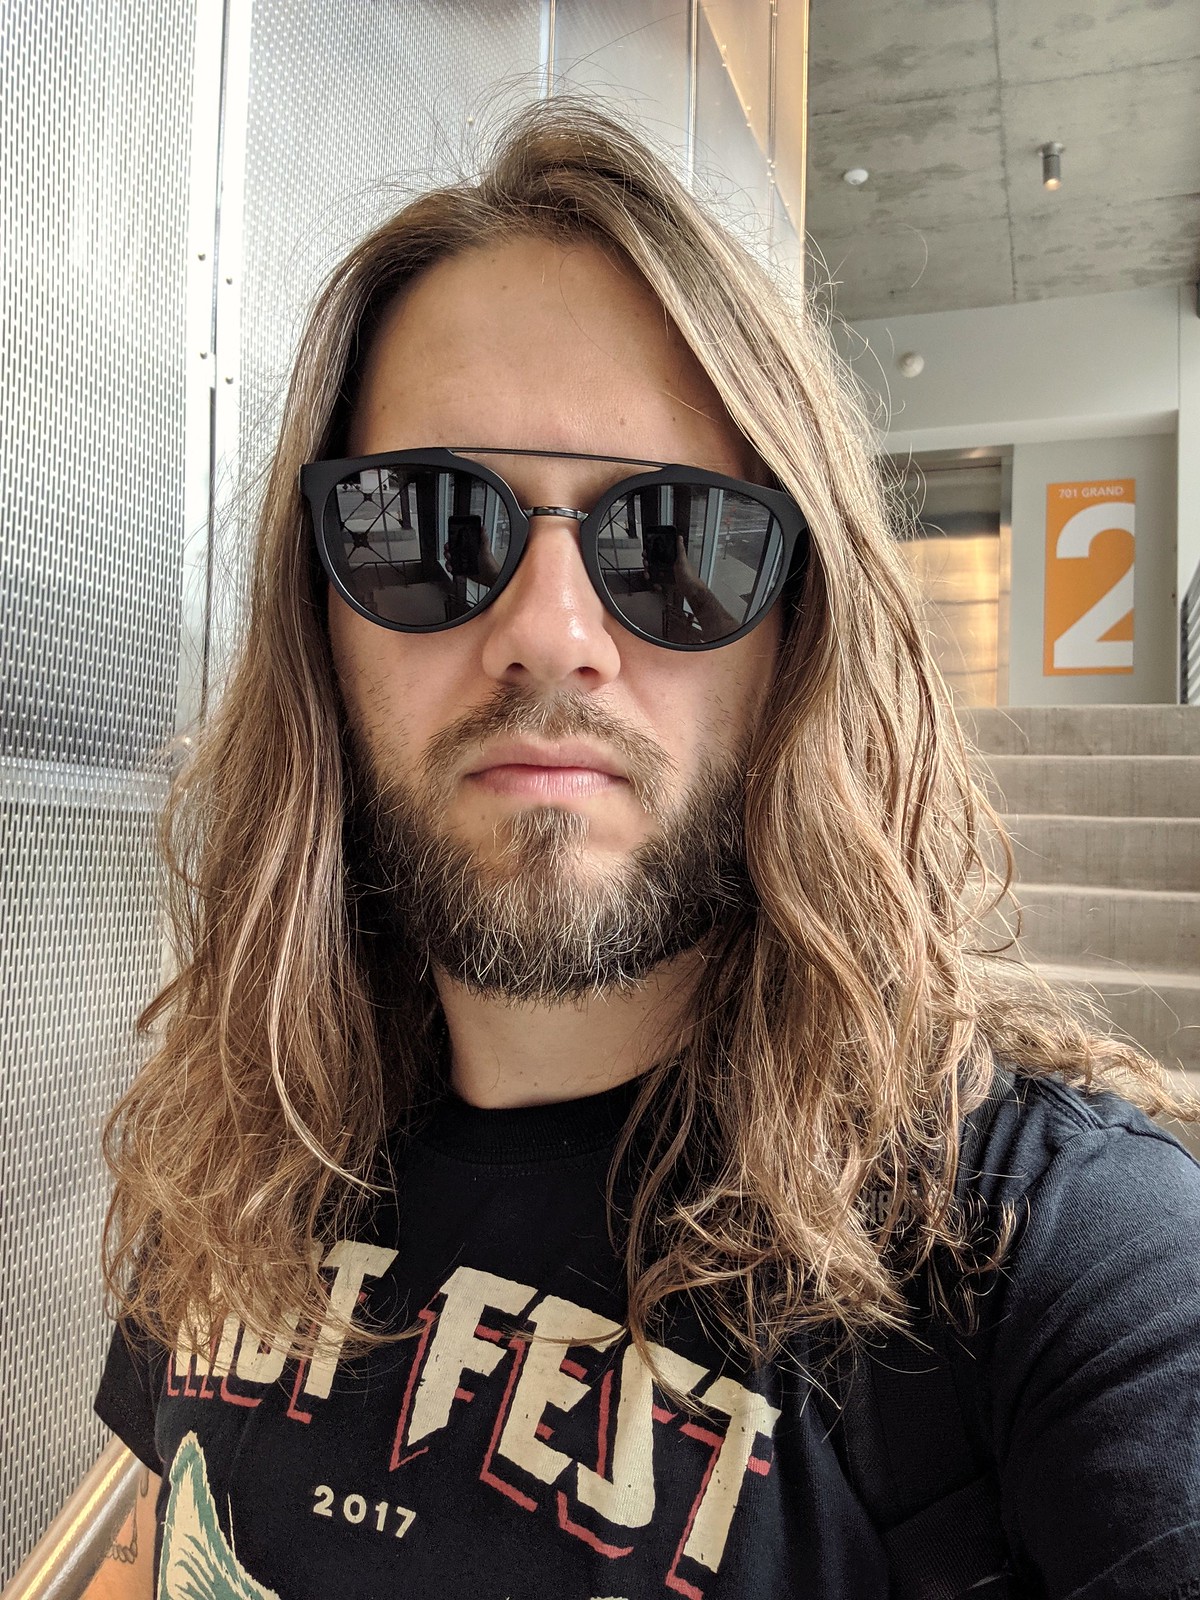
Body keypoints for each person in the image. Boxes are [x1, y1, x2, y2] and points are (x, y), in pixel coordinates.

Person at [87, 102, 1200, 1600]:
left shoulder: (1044, 1261)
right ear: (317, 617)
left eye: (674, 540)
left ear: (797, 631)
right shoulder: (239, 1140)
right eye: (433, 525)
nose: (551, 632)